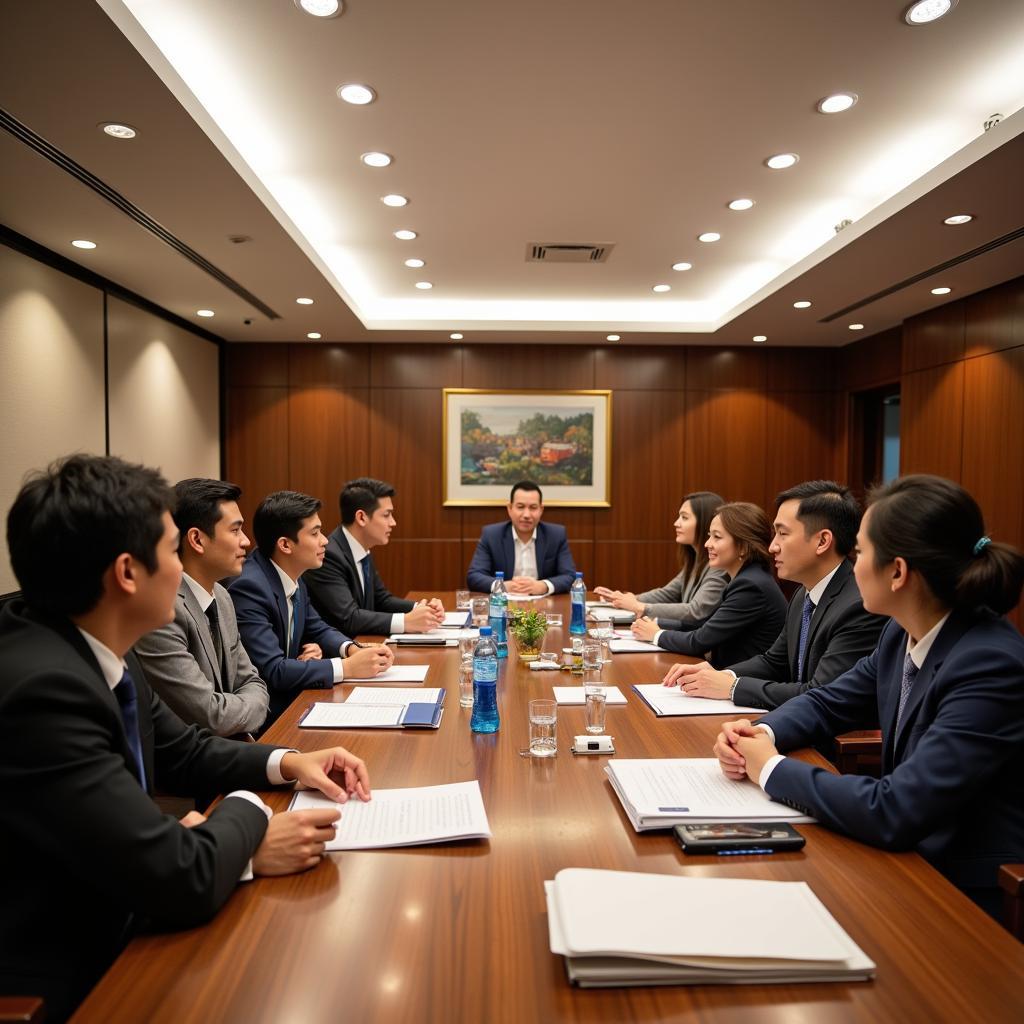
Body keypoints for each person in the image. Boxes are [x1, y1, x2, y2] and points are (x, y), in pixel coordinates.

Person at [0, 455, 372, 1022]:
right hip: (75, 969)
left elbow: (185, 749)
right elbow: (178, 875)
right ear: (128, 573)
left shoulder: (95, 647)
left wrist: (291, 761)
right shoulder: (44, 691)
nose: (182, 571)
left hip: (128, 900)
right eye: (174, 551)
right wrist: (250, 824)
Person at [713, 474, 1024, 916]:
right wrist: (759, 731)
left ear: (897, 572)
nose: (852, 565)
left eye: (859, 552)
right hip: (903, 859)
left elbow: (897, 808)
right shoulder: (901, 633)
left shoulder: (989, 663)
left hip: (964, 893)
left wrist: (771, 768)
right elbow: (828, 700)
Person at [663, 481, 887, 709]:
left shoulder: (858, 605)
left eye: (782, 533)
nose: (772, 547)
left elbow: (821, 692)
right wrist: (722, 674)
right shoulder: (803, 594)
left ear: (822, 541)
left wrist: (732, 687)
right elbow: (774, 661)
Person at [228, 490, 393, 727]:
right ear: (285, 544)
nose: (325, 540)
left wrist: (352, 649)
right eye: (315, 533)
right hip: (271, 719)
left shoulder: (292, 573)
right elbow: (274, 670)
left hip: (297, 700)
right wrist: (346, 667)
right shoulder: (250, 587)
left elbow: (317, 628)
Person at [135, 478, 269, 737]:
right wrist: (248, 709)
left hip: (231, 751)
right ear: (197, 539)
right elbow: (211, 716)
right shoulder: (163, 611)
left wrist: (240, 711)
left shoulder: (222, 595)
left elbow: (254, 683)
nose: (246, 541)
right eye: (235, 530)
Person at [632, 501, 786, 666]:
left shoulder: (751, 586)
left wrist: (656, 634)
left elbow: (699, 640)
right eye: (709, 536)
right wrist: (657, 623)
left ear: (743, 547)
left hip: (741, 683)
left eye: (717, 537)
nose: (707, 544)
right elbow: (704, 624)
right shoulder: (747, 577)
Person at [305, 477, 444, 637]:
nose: (393, 523)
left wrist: (421, 608)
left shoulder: (362, 549)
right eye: (386, 515)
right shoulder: (329, 555)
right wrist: (406, 621)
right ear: (361, 517)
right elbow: (349, 618)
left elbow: (381, 600)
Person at [595, 490, 727, 626]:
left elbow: (696, 610)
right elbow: (668, 593)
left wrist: (641, 607)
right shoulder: (696, 559)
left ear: (705, 523)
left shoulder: (720, 566)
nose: (676, 523)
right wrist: (627, 599)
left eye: (684, 518)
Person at [466, 480, 576, 594]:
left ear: (541, 510)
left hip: (543, 605)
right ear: (510, 508)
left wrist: (543, 586)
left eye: (533, 507)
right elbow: (474, 576)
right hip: (504, 605)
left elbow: (570, 576)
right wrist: (502, 586)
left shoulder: (556, 535)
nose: (526, 515)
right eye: (520, 507)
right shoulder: (492, 535)